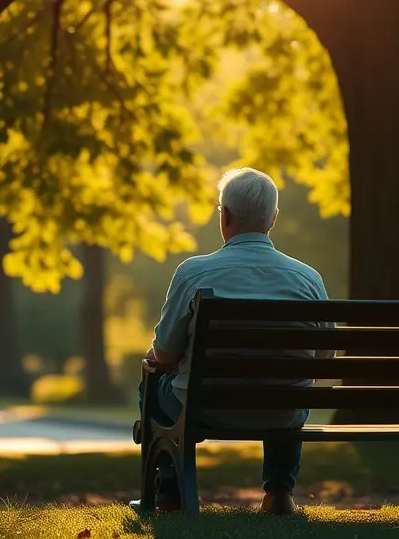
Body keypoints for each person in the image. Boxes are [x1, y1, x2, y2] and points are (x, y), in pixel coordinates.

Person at [135, 167, 333, 516]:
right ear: (273, 218)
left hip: (203, 406)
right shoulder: (308, 279)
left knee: (150, 381)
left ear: (224, 216)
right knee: (289, 392)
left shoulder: (194, 272)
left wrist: (156, 357)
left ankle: (170, 491)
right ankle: (278, 494)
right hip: (282, 410)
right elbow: (323, 358)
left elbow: (164, 355)